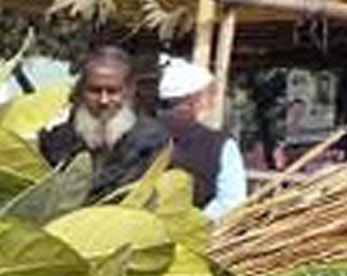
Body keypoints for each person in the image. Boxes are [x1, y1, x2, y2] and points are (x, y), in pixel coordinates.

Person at [38, 46, 170, 197]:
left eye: (113, 91)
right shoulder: (57, 139)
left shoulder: (150, 140)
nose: (103, 101)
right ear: (81, 91)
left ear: (129, 91)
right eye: (95, 91)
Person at [157, 57, 247, 219]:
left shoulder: (137, 133)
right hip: (198, 238)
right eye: (209, 95)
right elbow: (232, 204)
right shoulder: (221, 145)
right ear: (195, 100)